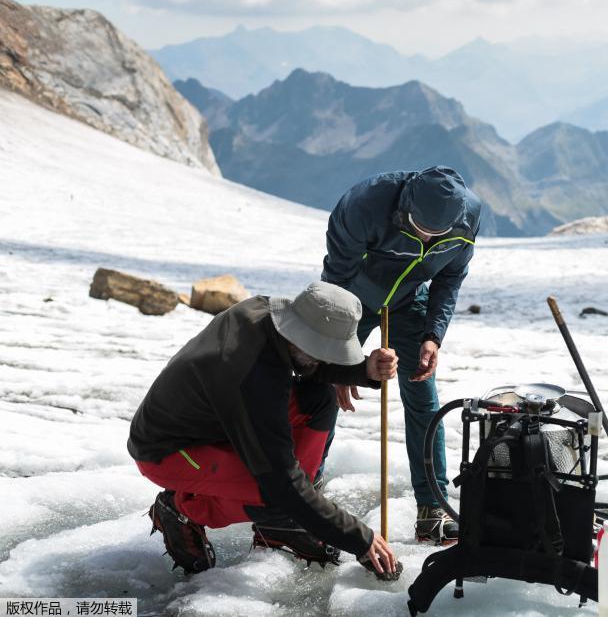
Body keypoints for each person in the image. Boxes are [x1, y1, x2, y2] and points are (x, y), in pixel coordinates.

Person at [127, 282, 402, 580]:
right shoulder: (250, 374)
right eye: (325, 352)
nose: (326, 360)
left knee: (318, 399)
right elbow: (280, 481)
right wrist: (359, 539)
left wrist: (363, 371)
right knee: (274, 496)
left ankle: (284, 522)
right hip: (169, 451)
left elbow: (305, 360)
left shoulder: (268, 316)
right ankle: (180, 509)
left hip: (221, 422)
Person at [321, 165, 482, 544]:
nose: (426, 236)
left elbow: (449, 277)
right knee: (322, 391)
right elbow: (336, 280)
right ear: (406, 202)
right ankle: (303, 496)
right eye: (418, 226)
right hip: (350, 299)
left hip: (410, 301)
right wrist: (336, 356)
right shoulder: (364, 204)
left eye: (435, 234)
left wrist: (433, 335)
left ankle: (432, 509)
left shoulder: (470, 214)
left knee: (425, 401)